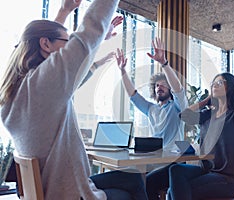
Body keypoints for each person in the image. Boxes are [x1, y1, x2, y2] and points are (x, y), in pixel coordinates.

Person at [0, 0, 148, 199]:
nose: (70, 48)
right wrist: (92, 36)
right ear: (45, 44)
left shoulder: (16, 91)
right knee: (129, 189)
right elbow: (91, 27)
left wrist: (64, 11)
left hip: (54, 186)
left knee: (133, 179)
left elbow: (40, 40)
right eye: (68, 42)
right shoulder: (42, 85)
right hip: (70, 193)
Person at [115, 37, 188, 200]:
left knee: (146, 183)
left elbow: (179, 91)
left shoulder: (177, 107)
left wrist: (164, 64)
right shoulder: (151, 109)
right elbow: (133, 95)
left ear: (169, 89)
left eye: (163, 85)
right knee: (129, 178)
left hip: (173, 163)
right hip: (153, 161)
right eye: (156, 85)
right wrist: (122, 72)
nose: (159, 87)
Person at [167, 72, 234, 200]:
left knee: (177, 191)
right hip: (207, 172)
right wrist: (206, 100)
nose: (215, 86)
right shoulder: (208, 115)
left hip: (229, 179)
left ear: (231, 87)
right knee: (175, 170)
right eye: (213, 84)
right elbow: (184, 115)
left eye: (220, 83)